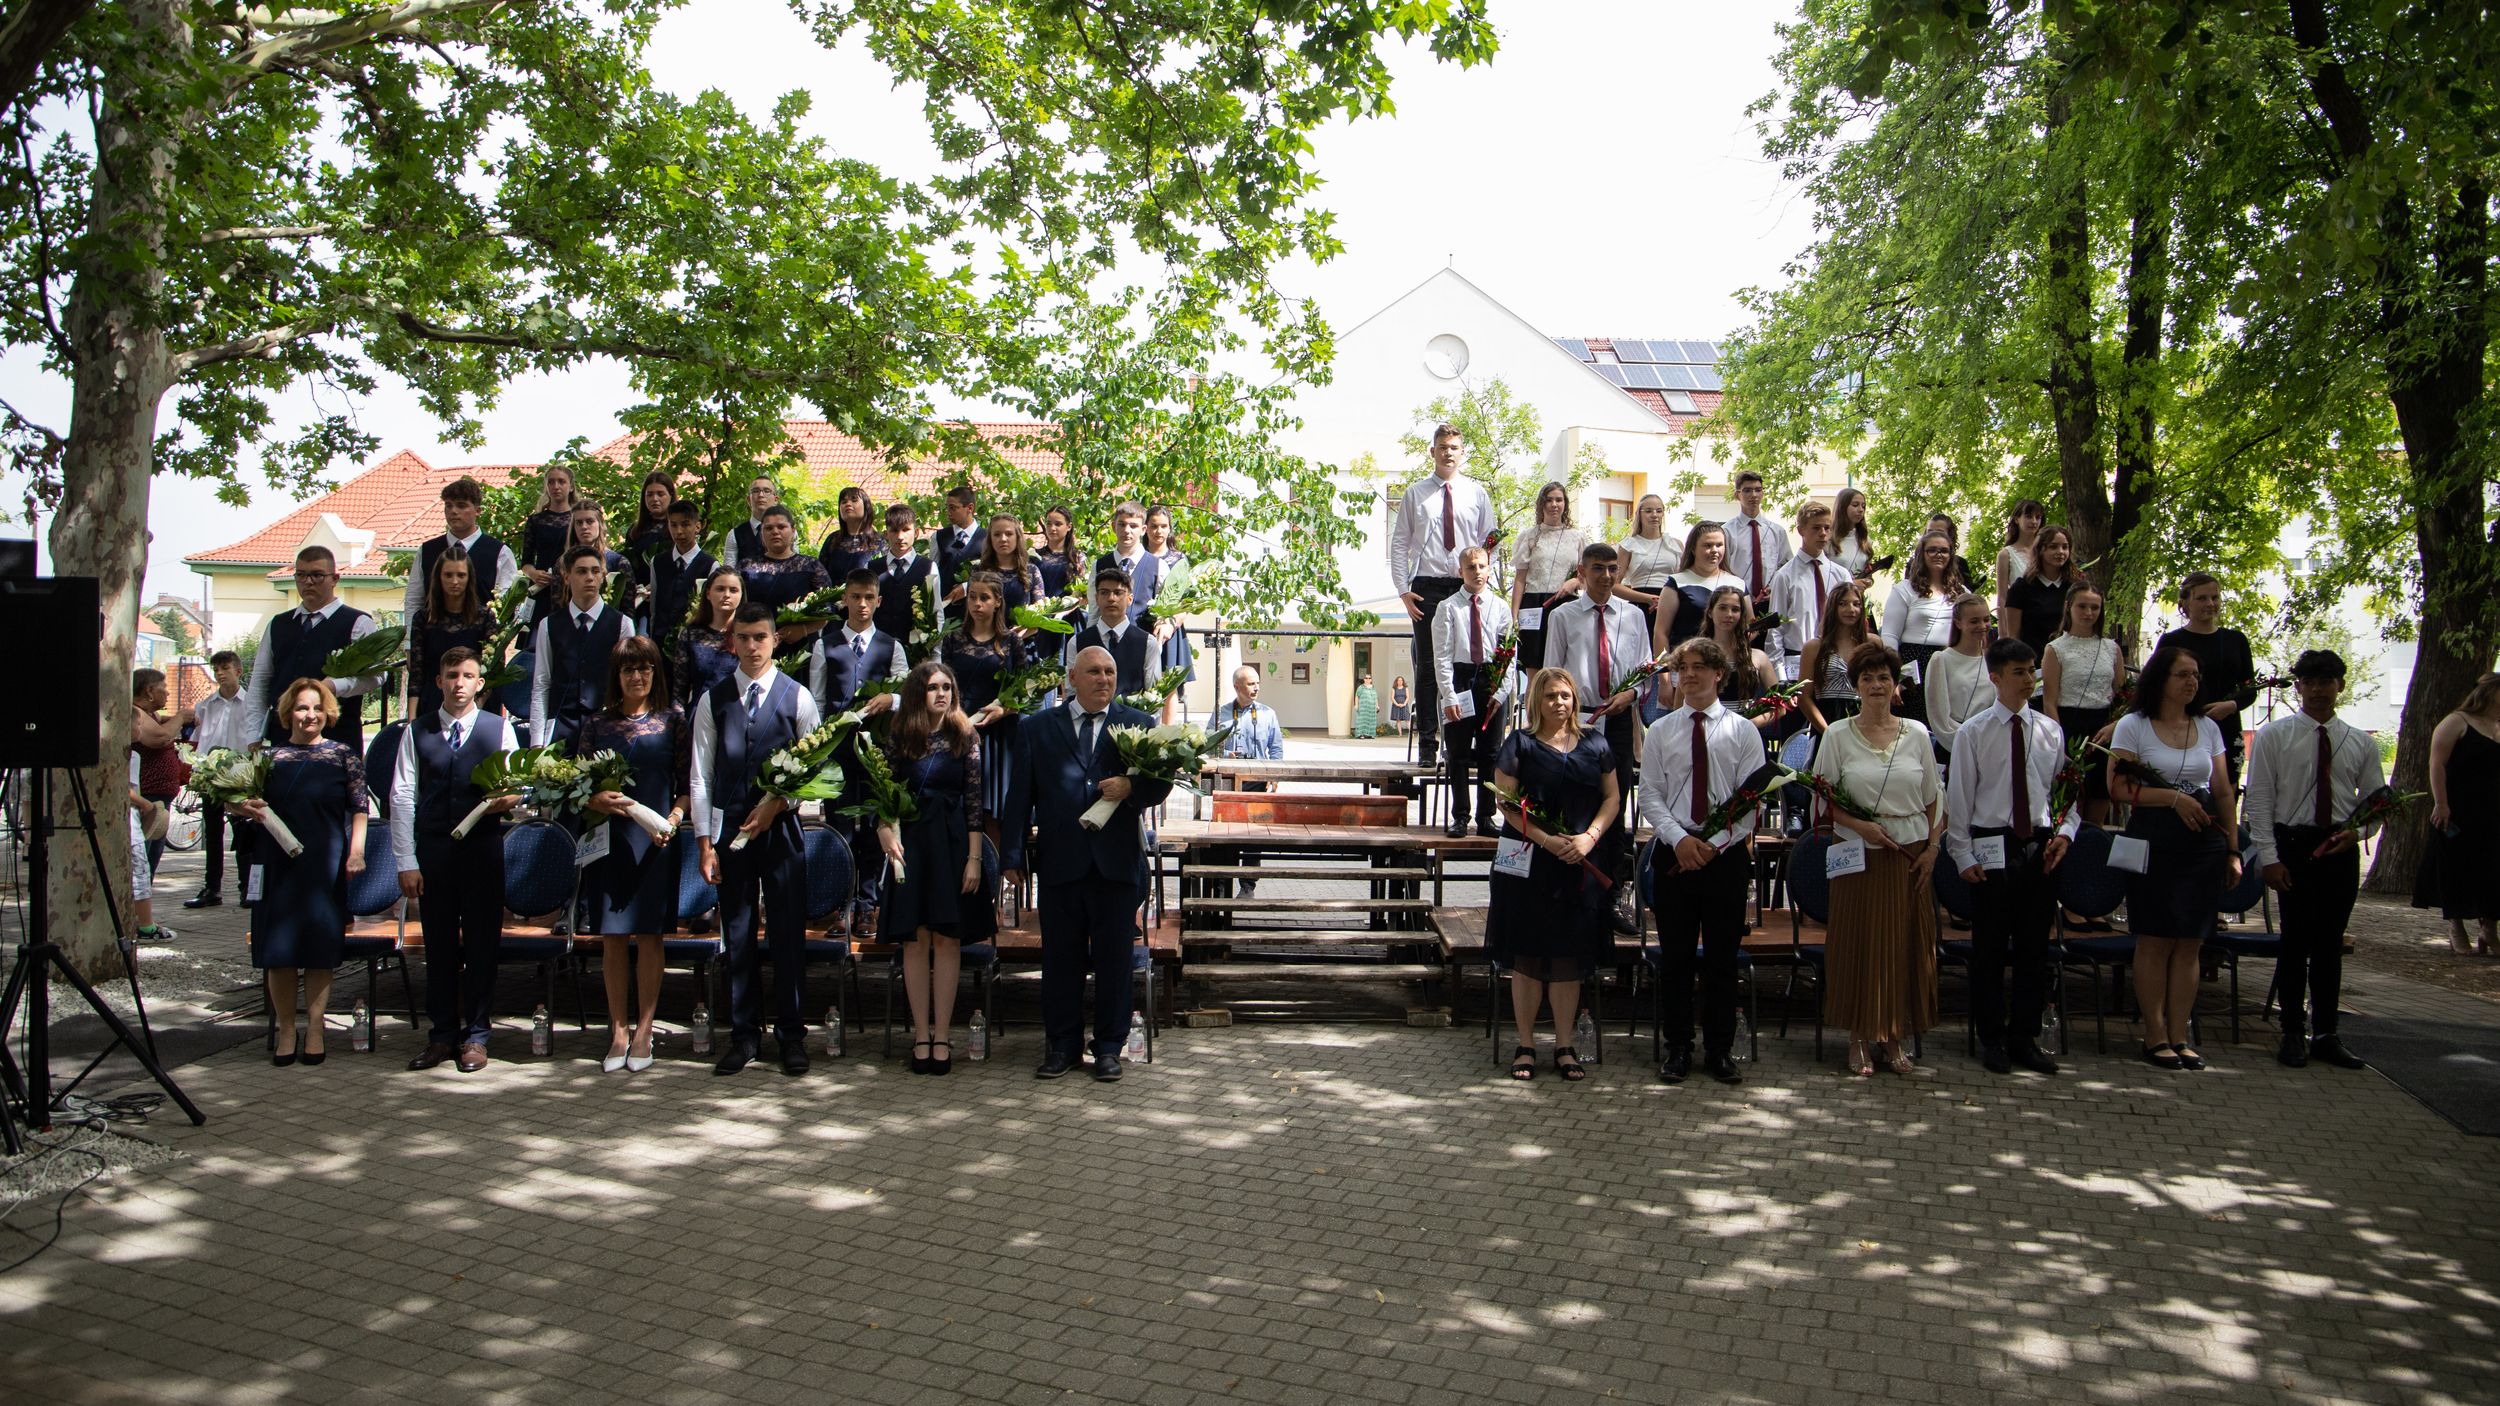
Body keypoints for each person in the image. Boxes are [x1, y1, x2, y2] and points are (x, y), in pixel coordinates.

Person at [999, 645, 1174, 1082]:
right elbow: (1019, 795)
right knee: (1061, 960)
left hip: (1115, 865)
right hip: (1061, 862)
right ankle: (1062, 1045)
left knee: (1115, 961)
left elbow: (1160, 785)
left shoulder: (1138, 724)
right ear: (1072, 678)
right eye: (1094, 671)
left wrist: (1131, 788)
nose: (1104, 679)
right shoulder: (1037, 728)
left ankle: (1109, 1047)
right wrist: (1011, 855)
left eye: (1110, 672)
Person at [692, 603, 825, 1076]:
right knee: (738, 932)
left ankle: (791, 1035)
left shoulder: (798, 697)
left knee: (787, 933)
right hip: (730, 834)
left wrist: (779, 804)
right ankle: (744, 1035)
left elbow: (815, 773)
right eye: (744, 638)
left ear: (775, 640)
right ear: (732, 643)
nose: (752, 646)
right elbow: (701, 776)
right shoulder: (713, 701)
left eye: (761, 637)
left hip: (781, 830)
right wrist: (705, 843)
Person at [1811, 642, 1944, 1077]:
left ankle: (1893, 1037)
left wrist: (1932, 850)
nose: (1876, 685)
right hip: (1858, 856)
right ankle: (1858, 1038)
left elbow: (1934, 800)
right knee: (1860, 944)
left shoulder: (1917, 734)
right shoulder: (1837, 735)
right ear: (1856, 686)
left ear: (1895, 683)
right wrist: (1861, 826)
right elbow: (1823, 801)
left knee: (1903, 946)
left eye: (1883, 677)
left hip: (1909, 858)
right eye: (1867, 678)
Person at [1945, 640, 2078, 1076]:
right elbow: (1960, 798)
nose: (2028, 680)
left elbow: (2064, 795)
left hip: (2038, 846)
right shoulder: (1974, 732)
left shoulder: (2049, 731)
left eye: (2031, 670)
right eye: (2018, 672)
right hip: (1992, 843)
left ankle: (2025, 1036)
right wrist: (1962, 853)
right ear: (1995, 677)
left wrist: (2064, 833)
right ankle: (1992, 1038)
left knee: (2034, 948)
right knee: (1989, 948)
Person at [2246, 650, 2383, 1070]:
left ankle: (2325, 1032)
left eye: (2327, 682)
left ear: (2340, 685)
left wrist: (2358, 832)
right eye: (2310, 682)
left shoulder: (2360, 741)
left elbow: (2375, 803)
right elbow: (2260, 800)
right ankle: (2291, 1030)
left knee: (2329, 944)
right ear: (2299, 686)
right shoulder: (2275, 736)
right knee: (2294, 941)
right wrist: (2269, 858)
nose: (2319, 690)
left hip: (2338, 847)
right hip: (2293, 844)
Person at [2108, 645, 2240, 1071]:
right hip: (2155, 841)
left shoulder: (2208, 728)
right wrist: (2172, 799)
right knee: (2156, 939)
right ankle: (2154, 1033)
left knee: (2190, 943)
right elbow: (2119, 788)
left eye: (2196, 675)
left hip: (2203, 845)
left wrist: (2233, 849)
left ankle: (2181, 1034)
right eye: (2183, 674)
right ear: (2161, 678)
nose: (2192, 682)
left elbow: (2223, 792)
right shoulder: (2133, 725)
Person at [1487, 667, 1622, 1082]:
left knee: (1568, 956)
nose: (1558, 702)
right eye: (1550, 696)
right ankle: (1526, 1044)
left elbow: (1613, 798)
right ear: (1537, 702)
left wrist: (1589, 838)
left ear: (1574, 699)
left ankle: (1565, 1046)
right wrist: (1547, 841)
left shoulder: (1596, 743)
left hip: (1580, 860)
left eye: (1565, 695)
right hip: (1529, 861)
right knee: (1526, 955)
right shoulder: (1519, 743)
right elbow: (1507, 804)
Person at [1639, 638, 1761, 1085]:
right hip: (1676, 855)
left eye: (1699, 667)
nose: (1689, 675)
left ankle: (1719, 1050)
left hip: (1724, 859)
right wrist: (1680, 840)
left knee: (1722, 959)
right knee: (1676, 959)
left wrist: (1715, 843)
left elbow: (1751, 798)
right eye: (1683, 668)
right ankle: (1677, 1048)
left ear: (1718, 674)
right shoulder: (1661, 731)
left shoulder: (1742, 731)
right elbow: (1650, 794)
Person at [392, 648, 520, 1073]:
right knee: (440, 945)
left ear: (479, 683)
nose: (459, 683)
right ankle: (442, 1035)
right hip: (434, 853)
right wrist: (406, 859)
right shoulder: (417, 731)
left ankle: (477, 1035)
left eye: (467, 675)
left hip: (483, 850)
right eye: (451, 675)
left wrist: (512, 798)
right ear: (439, 682)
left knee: (482, 945)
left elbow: (519, 788)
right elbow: (402, 796)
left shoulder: (498, 729)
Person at [237, 678, 369, 1067]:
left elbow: (360, 808)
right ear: (287, 713)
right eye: (301, 708)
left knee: (318, 951)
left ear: (327, 713)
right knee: (279, 952)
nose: (309, 715)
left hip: (324, 864)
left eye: (316, 708)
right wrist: (241, 806)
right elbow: (241, 805)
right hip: (276, 862)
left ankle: (315, 1029)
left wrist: (356, 852)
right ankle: (285, 1030)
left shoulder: (342, 755)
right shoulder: (268, 758)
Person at [876, 661, 995, 1075]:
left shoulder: (966, 735)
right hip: (910, 842)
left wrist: (975, 859)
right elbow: (884, 792)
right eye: (932, 687)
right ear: (917, 693)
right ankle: (920, 1034)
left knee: (946, 939)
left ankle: (942, 1034)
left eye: (947, 687)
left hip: (952, 843)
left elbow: (975, 804)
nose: (941, 694)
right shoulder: (900, 735)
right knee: (915, 940)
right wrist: (884, 829)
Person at [578, 636, 689, 1074]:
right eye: (628, 669)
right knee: (612, 937)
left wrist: (673, 820)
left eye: (644, 668)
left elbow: (687, 784)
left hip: (657, 839)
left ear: (655, 673)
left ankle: (644, 1029)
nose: (637, 676)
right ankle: (618, 1031)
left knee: (649, 936)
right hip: (610, 841)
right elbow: (577, 788)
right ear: (617, 676)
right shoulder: (596, 724)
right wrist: (594, 799)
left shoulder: (672, 720)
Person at [1390, 424, 1497, 764]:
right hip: (1427, 586)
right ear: (1432, 451)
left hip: (1464, 585)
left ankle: (1459, 743)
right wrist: (1403, 589)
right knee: (1427, 666)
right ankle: (1427, 744)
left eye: (1454, 447)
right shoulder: (1415, 493)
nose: (1448, 452)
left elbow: (1490, 541)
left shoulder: (1476, 494)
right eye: (1442, 446)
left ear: (1462, 452)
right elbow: (1400, 542)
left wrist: (1482, 581)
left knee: (1464, 664)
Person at [810, 568, 908, 931]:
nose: (862, 604)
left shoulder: (891, 645)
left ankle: (867, 903)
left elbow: (907, 694)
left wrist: (892, 699)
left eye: (869, 598)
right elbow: (818, 700)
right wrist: (818, 749)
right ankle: (841, 904)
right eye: (855, 597)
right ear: (845, 600)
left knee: (872, 824)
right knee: (838, 823)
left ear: (878, 601)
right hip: (837, 750)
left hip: (876, 750)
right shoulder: (825, 644)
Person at [1544, 541, 1649, 824]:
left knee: (1618, 791)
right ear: (1582, 572)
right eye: (1598, 568)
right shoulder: (1562, 616)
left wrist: (1631, 694)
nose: (1606, 576)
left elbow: (1645, 669)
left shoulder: (1633, 615)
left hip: (1619, 715)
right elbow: (1552, 672)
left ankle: (1615, 849)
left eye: (1613, 569)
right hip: (1579, 717)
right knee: (1579, 791)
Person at [245, 545, 384, 749]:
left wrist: (335, 686)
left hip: (337, 738)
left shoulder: (359, 623)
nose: (308, 582)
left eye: (317, 575)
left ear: (334, 579)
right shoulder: (277, 624)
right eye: (301, 575)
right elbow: (260, 681)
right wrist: (253, 735)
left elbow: (377, 676)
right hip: (282, 738)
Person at [1433, 544, 1514, 838]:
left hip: (1491, 679)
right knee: (1457, 753)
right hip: (1460, 679)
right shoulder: (1448, 607)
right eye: (1470, 567)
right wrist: (1449, 695)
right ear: (1461, 572)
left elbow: (1509, 653)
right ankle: (1460, 816)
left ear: (1489, 569)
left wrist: (1500, 693)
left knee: (1490, 753)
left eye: (1481, 566)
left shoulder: (1500, 607)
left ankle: (1486, 816)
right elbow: (1442, 656)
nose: (1477, 572)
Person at [2417, 673, 2500, 956]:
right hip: (2458, 809)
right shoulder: (2457, 721)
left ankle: (2489, 929)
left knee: (2493, 868)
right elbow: (2437, 763)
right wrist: (2441, 803)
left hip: (2492, 810)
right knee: (2456, 866)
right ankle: (2456, 927)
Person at [529, 545, 636, 747]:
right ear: (567, 577)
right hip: (559, 729)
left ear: (603, 576)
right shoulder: (548, 625)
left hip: (605, 729)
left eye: (595, 571)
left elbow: (627, 684)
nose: (590, 577)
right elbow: (542, 684)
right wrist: (536, 742)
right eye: (581, 571)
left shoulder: (622, 624)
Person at [2155, 572, 2259, 780]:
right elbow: (2156, 686)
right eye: (2201, 598)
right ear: (2185, 603)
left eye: (2215, 597)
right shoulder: (2171, 641)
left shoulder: (2236, 640)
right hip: (2182, 728)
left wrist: (2230, 706)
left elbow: (2250, 689)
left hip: (2226, 728)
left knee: (2227, 787)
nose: (2210, 603)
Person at [2040, 581, 2126, 829]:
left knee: (2100, 794)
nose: (2089, 613)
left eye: (2095, 607)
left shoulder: (2111, 648)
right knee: (2067, 800)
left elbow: (2122, 695)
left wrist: (2115, 725)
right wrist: (2058, 742)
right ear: (2069, 607)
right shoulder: (2055, 648)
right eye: (2082, 606)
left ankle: (2094, 842)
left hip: (2103, 728)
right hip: (2069, 724)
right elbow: (2049, 701)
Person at [941, 569, 1025, 821]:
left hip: (999, 732)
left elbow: (1025, 691)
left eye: (984, 598)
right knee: (961, 808)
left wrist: (1004, 709)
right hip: (960, 726)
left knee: (995, 813)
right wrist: (958, 721)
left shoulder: (1012, 641)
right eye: (972, 597)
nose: (977, 604)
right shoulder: (953, 639)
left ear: (997, 601)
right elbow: (945, 689)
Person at [183, 650, 254, 909]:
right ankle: (212, 887)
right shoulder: (205, 705)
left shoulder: (250, 704)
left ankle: (247, 888)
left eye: (225, 668)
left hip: (239, 776)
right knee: (212, 833)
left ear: (238, 671)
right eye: (216, 669)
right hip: (211, 775)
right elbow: (197, 741)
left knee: (243, 831)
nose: (220, 674)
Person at [1211, 664, 1286, 899]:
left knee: (1254, 836)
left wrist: (1275, 774)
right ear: (1237, 686)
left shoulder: (1268, 713)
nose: (1256, 688)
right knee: (1225, 834)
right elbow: (1207, 744)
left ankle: (1247, 887)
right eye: (1251, 684)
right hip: (1228, 782)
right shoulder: (1221, 713)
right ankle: (1222, 886)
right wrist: (1226, 755)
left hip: (1257, 781)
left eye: (1257, 683)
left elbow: (1276, 748)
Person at [402, 476, 519, 621]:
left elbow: (507, 604)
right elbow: (414, 599)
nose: (453, 511)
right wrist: (411, 633)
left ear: (478, 510)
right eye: (448, 505)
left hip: (481, 633)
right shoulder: (427, 550)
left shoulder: (499, 552)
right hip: (433, 632)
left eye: (461, 506)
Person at [1878, 531, 1963, 721]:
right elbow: (1890, 636)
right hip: (1913, 664)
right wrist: (1894, 677)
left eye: (1944, 551)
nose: (1938, 554)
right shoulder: (1905, 589)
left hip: (1949, 663)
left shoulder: (1961, 592)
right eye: (1932, 550)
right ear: (1921, 554)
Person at [407, 544, 496, 723]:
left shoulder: (485, 617)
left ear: (469, 578)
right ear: (438, 577)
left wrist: (475, 708)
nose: (455, 581)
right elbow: (416, 674)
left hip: (474, 704)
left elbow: (493, 670)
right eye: (448, 575)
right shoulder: (423, 619)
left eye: (461, 575)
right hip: (433, 702)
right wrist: (411, 720)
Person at [1768, 501, 1852, 682]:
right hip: (1796, 660)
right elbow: (1775, 629)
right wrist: (1780, 677)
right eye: (1816, 528)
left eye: (1827, 528)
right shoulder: (1785, 576)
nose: (1823, 533)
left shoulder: (1841, 575)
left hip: (1834, 658)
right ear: (1801, 530)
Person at [1509, 481, 1586, 674]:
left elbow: (1588, 576)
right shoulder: (1529, 536)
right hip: (1533, 606)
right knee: (1534, 669)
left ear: (1565, 503)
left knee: (1562, 668)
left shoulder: (1577, 537)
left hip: (1566, 603)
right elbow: (1520, 579)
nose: (1554, 505)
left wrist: (1575, 581)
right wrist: (1514, 617)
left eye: (1559, 500)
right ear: (1541, 504)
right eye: (1549, 500)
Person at [740, 503, 838, 650]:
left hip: (799, 648)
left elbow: (827, 610)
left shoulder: (811, 566)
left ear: (793, 531)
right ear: (761, 534)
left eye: (781, 527)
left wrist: (803, 629)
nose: (775, 532)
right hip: (754, 645)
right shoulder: (746, 567)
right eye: (769, 528)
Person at [533, 497, 633, 622]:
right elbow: (557, 606)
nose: (584, 527)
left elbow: (628, 611)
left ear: (600, 524)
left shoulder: (619, 562)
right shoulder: (563, 562)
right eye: (579, 523)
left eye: (590, 521)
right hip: (570, 627)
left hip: (610, 627)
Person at [1925, 594, 1996, 762]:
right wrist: (1970, 740)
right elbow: (1939, 717)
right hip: (1955, 746)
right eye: (1974, 621)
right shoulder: (1941, 660)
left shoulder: (1993, 660)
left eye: (1986, 619)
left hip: (1990, 747)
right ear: (1958, 623)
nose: (1982, 626)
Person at [1698, 586, 1780, 731]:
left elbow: (1779, 706)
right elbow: (1680, 705)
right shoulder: (1696, 655)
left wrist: (1747, 726)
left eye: (1735, 609)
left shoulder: (1758, 657)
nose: (1729, 614)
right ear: (1710, 612)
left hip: (1746, 733)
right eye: (1722, 608)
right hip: (1706, 732)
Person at [1142, 505, 1195, 721]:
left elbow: (1187, 601)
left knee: (1169, 683)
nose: (1158, 531)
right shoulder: (1138, 556)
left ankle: (1167, 733)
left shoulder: (1179, 560)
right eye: (1154, 526)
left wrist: (1170, 623)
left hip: (1170, 629)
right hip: (1141, 625)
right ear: (1146, 528)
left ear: (1170, 528)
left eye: (1163, 526)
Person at [1063, 567, 1152, 695]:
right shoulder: (1077, 642)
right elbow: (1071, 692)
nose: (1111, 598)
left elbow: (1153, 694)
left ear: (1130, 599)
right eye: (1104, 592)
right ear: (1096, 598)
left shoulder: (1147, 643)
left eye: (1118, 593)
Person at [1798, 583, 1871, 738]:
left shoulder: (1872, 644)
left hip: (1863, 725)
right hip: (1826, 723)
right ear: (1832, 607)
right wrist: (1828, 732)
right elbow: (1804, 698)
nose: (1851, 609)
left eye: (1856, 604)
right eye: (1843, 604)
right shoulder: (1813, 647)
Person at [1657, 522, 1742, 653]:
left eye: (1719, 545)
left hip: (1726, 660)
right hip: (1685, 661)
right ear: (1693, 549)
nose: (1714, 550)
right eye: (1708, 545)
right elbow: (1661, 632)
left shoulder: (1737, 583)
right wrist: (1664, 665)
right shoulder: (1676, 583)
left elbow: (1748, 627)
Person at [131, 669, 182, 877]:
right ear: (150, 691)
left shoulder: (150, 714)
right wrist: (181, 717)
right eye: (164, 687)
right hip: (148, 799)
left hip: (159, 799)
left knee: (153, 857)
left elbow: (160, 721)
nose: (168, 693)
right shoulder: (135, 713)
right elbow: (160, 738)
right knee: (144, 859)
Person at [672, 566, 745, 710]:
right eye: (720, 589)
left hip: (739, 714)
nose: (727, 595)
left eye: (733, 590)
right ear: (708, 594)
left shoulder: (748, 635)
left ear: (742, 594)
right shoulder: (690, 634)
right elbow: (679, 691)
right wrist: (679, 719)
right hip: (700, 713)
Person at [647, 499, 718, 643]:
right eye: (673, 525)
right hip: (660, 641)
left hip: (693, 642)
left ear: (697, 526)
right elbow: (654, 608)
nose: (679, 531)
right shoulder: (657, 562)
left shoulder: (710, 565)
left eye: (685, 525)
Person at [2002, 525, 2080, 656]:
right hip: (2034, 660)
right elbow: (2014, 636)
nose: (2061, 552)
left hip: (2069, 658)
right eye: (2053, 547)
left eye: (2065, 547)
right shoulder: (2021, 588)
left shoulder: (2074, 587)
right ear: (2040, 549)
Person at [1614, 494, 1683, 636]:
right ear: (1639, 514)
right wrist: (1647, 598)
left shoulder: (1675, 544)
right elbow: (1614, 585)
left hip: (1671, 603)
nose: (1654, 515)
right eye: (1648, 511)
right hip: (1641, 604)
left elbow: (1683, 578)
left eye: (1659, 511)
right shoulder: (1628, 545)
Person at [1722, 470, 1792, 610]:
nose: (1754, 495)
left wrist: (1774, 588)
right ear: (1737, 495)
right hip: (1738, 602)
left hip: (1771, 602)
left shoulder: (1777, 531)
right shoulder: (1727, 531)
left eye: (1758, 490)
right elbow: (1723, 569)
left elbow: (1786, 566)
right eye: (1747, 490)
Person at [867, 501, 936, 643]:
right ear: (886, 534)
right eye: (894, 530)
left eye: (906, 530)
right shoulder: (871, 568)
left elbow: (936, 611)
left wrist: (934, 650)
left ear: (916, 533)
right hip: (879, 645)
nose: (900, 536)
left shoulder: (928, 567)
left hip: (915, 646)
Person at [517, 463, 580, 596]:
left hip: (572, 587)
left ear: (571, 487)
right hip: (542, 587)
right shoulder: (535, 521)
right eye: (551, 482)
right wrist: (533, 574)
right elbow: (526, 562)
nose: (556, 486)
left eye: (561, 482)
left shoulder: (579, 519)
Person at [976, 513, 1048, 617]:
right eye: (997, 534)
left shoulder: (1031, 571)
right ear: (990, 539)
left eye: (1009, 534)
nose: (1003, 539)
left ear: (1017, 537)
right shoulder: (979, 570)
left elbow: (1040, 613)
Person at [933, 483, 989, 605]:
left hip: (976, 606)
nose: (948, 512)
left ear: (970, 508)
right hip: (945, 605)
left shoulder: (988, 538)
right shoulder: (938, 537)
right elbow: (932, 573)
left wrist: (966, 586)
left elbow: (991, 574)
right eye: (947, 508)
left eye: (953, 508)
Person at [817, 484, 882, 584]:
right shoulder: (832, 540)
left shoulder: (878, 541)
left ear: (866, 507)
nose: (848, 504)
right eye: (844, 502)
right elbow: (820, 574)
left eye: (854, 500)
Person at [718, 473, 781, 570]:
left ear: (776, 499)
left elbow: (793, 568)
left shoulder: (787, 532)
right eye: (755, 491)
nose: (761, 495)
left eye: (766, 491)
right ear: (748, 500)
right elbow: (728, 573)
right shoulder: (734, 535)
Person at [1994, 498, 2046, 616]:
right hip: (2019, 617)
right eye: (2028, 516)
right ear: (2017, 519)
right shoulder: (2006, 555)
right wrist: (2003, 627)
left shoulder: (2046, 551)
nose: (2034, 521)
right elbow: (2002, 597)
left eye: (2038, 517)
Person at [621, 469, 677, 562]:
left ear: (670, 495)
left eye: (660, 494)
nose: (655, 499)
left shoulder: (679, 528)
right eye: (650, 495)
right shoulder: (635, 531)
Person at [1925, 511, 1983, 598]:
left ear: (1950, 536)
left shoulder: (1960, 564)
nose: (1933, 536)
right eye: (1930, 532)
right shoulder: (1913, 565)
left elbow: (1967, 598)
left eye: (1940, 533)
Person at [1831, 486, 1880, 582]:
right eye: (1855, 505)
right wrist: (1853, 584)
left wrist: (1867, 581)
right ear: (1842, 507)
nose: (1861, 510)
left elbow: (1869, 578)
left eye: (1863, 506)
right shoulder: (1827, 540)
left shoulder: (1865, 541)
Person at [1032, 504, 1079, 600]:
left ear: (1069, 526)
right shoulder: (1034, 556)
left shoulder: (1078, 558)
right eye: (1049, 524)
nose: (1052, 528)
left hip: (1069, 608)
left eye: (1058, 524)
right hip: (1037, 607)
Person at [1352, 673, 1379, 739]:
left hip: (1372, 707)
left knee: (1371, 720)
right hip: (1363, 707)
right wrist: (1356, 705)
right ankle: (1361, 734)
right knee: (1362, 721)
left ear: (1371, 679)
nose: (1368, 679)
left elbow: (1376, 697)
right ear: (1364, 679)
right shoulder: (1361, 687)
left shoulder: (1373, 688)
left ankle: (1369, 734)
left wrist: (1377, 705)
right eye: (1366, 678)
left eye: (1369, 678)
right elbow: (1357, 696)